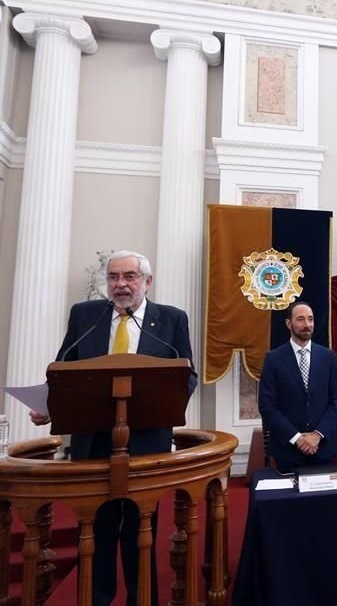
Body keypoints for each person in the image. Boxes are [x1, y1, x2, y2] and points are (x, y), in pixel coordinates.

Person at [32, 250, 196, 606]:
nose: (121, 285)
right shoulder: (85, 316)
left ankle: (142, 599)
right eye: (114, 277)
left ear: (147, 282)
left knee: (141, 531)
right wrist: (48, 405)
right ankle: (96, 598)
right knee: (94, 531)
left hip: (146, 441)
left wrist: (168, 401)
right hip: (93, 442)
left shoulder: (170, 320)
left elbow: (187, 375)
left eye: (130, 277)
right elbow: (63, 368)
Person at [258, 301, 337, 472]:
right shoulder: (273, 359)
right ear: (288, 323)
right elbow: (267, 406)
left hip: (323, 448)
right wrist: (297, 438)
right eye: (301, 319)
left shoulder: (328, 357)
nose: (307, 325)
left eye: (310, 319)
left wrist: (317, 435)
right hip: (288, 451)